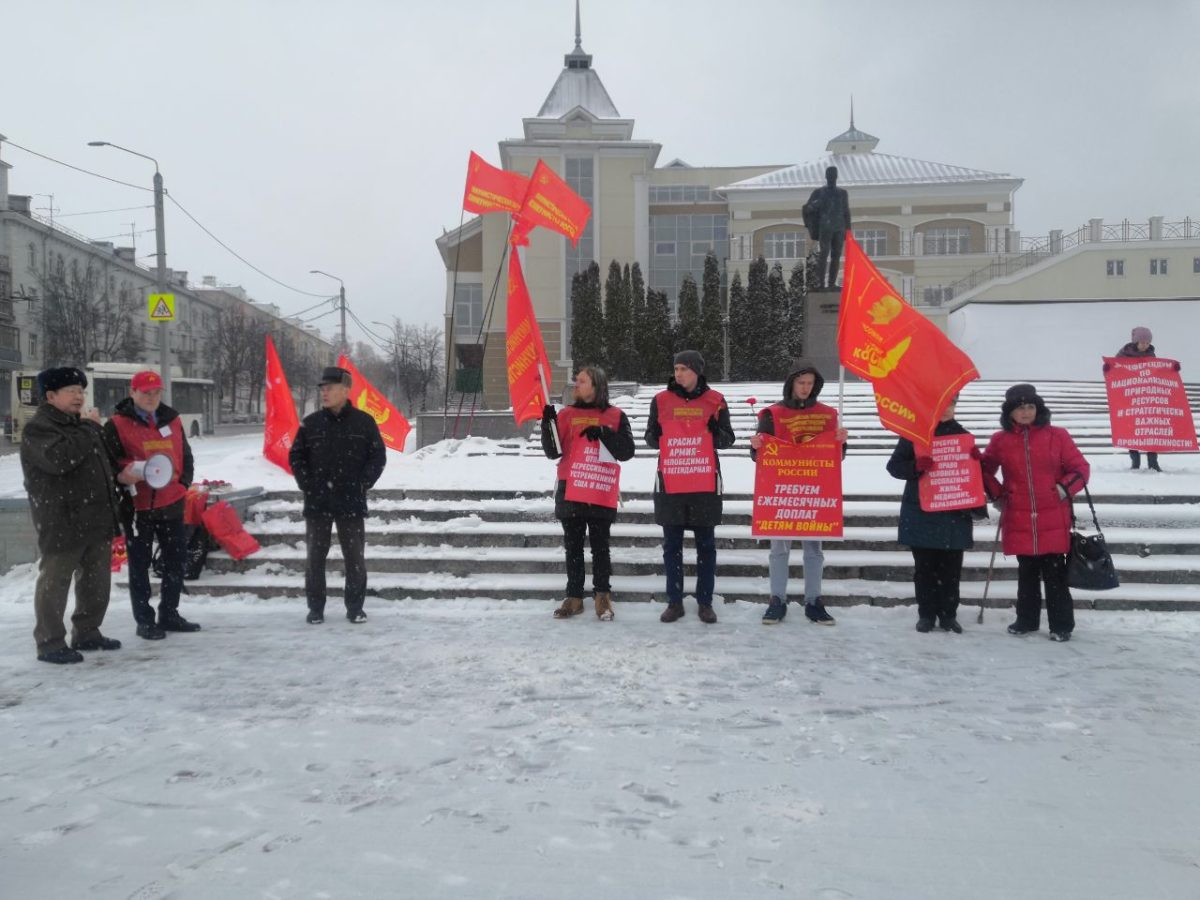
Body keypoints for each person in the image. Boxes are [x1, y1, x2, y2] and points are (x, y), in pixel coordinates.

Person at [20, 366, 125, 663]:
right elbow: (60, 460)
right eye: (72, 392)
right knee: (55, 582)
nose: (79, 397)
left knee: (96, 581)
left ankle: (87, 632)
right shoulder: (40, 428)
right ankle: (50, 642)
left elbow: (102, 466)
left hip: (95, 516)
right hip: (62, 519)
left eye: (81, 391)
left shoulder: (80, 426)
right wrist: (91, 429)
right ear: (51, 396)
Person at [981, 384, 1089, 642]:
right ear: (1010, 413)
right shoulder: (1000, 440)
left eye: (1031, 407)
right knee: (1027, 573)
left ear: (1038, 409)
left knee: (1055, 574)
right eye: (1020, 408)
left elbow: (1080, 469)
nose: (1026, 412)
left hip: (1052, 514)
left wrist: (1061, 491)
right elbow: (984, 471)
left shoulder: (1057, 436)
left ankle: (1061, 625)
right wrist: (997, 495)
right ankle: (1026, 620)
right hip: (1018, 515)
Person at [748, 359, 847, 625]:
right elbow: (759, 455)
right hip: (783, 490)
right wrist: (756, 445)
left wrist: (840, 442)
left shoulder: (827, 415)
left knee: (814, 549)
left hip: (814, 490)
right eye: (801, 382)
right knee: (779, 549)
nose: (805, 388)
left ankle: (814, 601)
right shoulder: (772, 414)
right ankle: (776, 600)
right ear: (791, 383)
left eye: (810, 383)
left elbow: (836, 458)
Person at [103, 369, 199, 640]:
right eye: (146, 393)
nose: (152, 397)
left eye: (156, 392)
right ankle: (144, 620)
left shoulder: (173, 419)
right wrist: (122, 474)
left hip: (171, 502)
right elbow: (108, 463)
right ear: (133, 392)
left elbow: (186, 456)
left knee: (175, 562)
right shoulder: (117, 424)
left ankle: (169, 613)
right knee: (139, 566)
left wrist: (183, 485)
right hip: (138, 507)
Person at [289, 366, 387, 624]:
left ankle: (355, 608)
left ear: (345, 390)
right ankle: (315, 609)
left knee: (354, 559)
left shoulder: (364, 422)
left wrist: (363, 483)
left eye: (329, 387)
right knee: (315, 560)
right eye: (322, 388)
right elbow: (296, 457)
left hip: (350, 502)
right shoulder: (310, 423)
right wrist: (307, 483)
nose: (324, 392)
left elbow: (377, 457)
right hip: (318, 502)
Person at [644, 350, 735, 624]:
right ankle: (674, 601)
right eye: (676, 368)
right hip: (671, 482)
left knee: (706, 545)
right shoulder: (660, 400)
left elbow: (728, 439)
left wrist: (714, 431)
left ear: (696, 371)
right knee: (672, 545)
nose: (678, 373)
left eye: (684, 368)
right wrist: (656, 435)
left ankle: (705, 602)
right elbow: (650, 438)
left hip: (703, 482)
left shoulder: (715, 401)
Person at [541, 366, 636, 620]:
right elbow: (553, 451)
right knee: (573, 547)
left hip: (599, 487)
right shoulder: (566, 414)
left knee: (600, 546)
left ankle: (602, 596)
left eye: (581, 381)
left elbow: (627, 450)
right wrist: (547, 424)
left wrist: (604, 432)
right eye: (576, 381)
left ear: (596, 385)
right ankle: (574, 597)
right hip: (571, 486)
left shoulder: (616, 415)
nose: (576, 385)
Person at [886, 395, 986, 633]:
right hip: (922, 513)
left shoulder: (964, 436)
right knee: (925, 569)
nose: (946, 410)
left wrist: (976, 462)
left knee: (951, 570)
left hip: (954, 513)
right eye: (940, 405)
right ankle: (927, 615)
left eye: (951, 404)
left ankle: (949, 615)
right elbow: (894, 466)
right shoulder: (914, 434)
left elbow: (975, 475)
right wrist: (915, 467)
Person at [1113, 326, 1177, 472]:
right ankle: (1135, 461)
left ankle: (1153, 462)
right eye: (1142, 342)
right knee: (1132, 430)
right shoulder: (1123, 355)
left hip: (1147, 399)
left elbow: (1159, 372)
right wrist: (1108, 369)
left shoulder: (1151, 355)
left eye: (1147, 343)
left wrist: (1173, 370)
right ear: (1135, 342)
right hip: (1129, 398)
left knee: (1150, 430)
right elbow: (1115, 372)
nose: (1145, 345)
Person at [802, 165, 852, 289]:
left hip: (839, 228)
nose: (831, 177)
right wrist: (815, 205)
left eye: (833, 175)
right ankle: (820, 283)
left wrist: (848, 230)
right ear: (826, 176)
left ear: (836, 176)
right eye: (829, 175)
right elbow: (807, 208)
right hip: (825, 227)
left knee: (836, 255)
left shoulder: (843, 193)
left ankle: (831, 284)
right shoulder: (819, 192)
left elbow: (846, 211)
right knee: (824, 254)